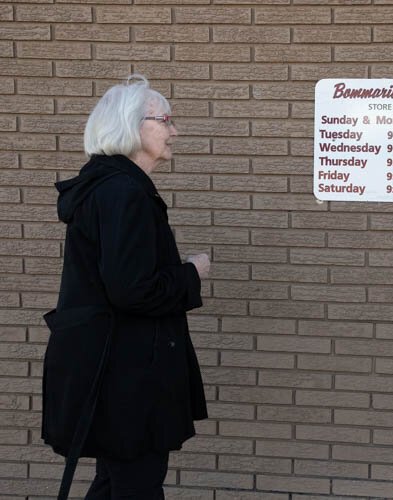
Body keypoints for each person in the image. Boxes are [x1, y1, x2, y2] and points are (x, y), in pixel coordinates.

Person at [42, 75, 209, 499]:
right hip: (127, 379)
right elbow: (132, 290)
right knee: (136, 487)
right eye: (166, 120)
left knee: (115, 483)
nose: (175, 131)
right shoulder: (123, 193)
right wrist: (191, 272)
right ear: (134, 127)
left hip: (115, 372)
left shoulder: (108, 187)